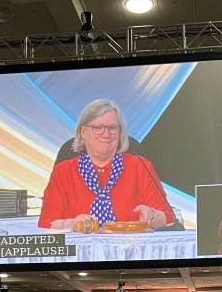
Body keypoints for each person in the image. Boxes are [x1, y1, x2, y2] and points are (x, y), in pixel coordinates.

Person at [38, 98, 174, 231]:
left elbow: (169, 217)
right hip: (79, 246)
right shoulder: (63, 171)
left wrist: (152, 215)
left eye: (112, 128)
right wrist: (73, 224)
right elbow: (46, 223)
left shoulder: (140, 166)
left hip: (132, 245)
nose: (106, 134)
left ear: (119, 132)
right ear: (83, 132)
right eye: (97, 128)